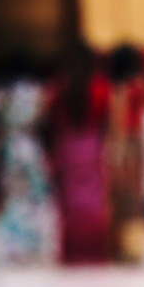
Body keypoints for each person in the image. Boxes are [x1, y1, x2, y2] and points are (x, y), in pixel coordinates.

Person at [47, 42, 113, 265]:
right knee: (94, 200)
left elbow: (52, 120)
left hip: (67, 147)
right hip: (92, 146)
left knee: (70, 201)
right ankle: (94, 249)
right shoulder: (99, 87)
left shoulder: (59, 88)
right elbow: (106, 119)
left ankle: (72, 250)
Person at [0, 53, 58, 266]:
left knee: (13, 198)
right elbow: (44, 119)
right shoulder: (36, 92)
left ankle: (13, 246)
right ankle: (33, 246)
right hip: (31, 146)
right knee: (34, 198)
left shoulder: (4, 93)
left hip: (11, 147)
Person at [106, 42, 144, 263]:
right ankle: (136, 246)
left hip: (124, 143)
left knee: (120, 197)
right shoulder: (141, 85)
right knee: (137, 198)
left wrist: (117, 150)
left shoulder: (118, 89)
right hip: (140, 141)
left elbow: (118, 121)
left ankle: (121, 246)